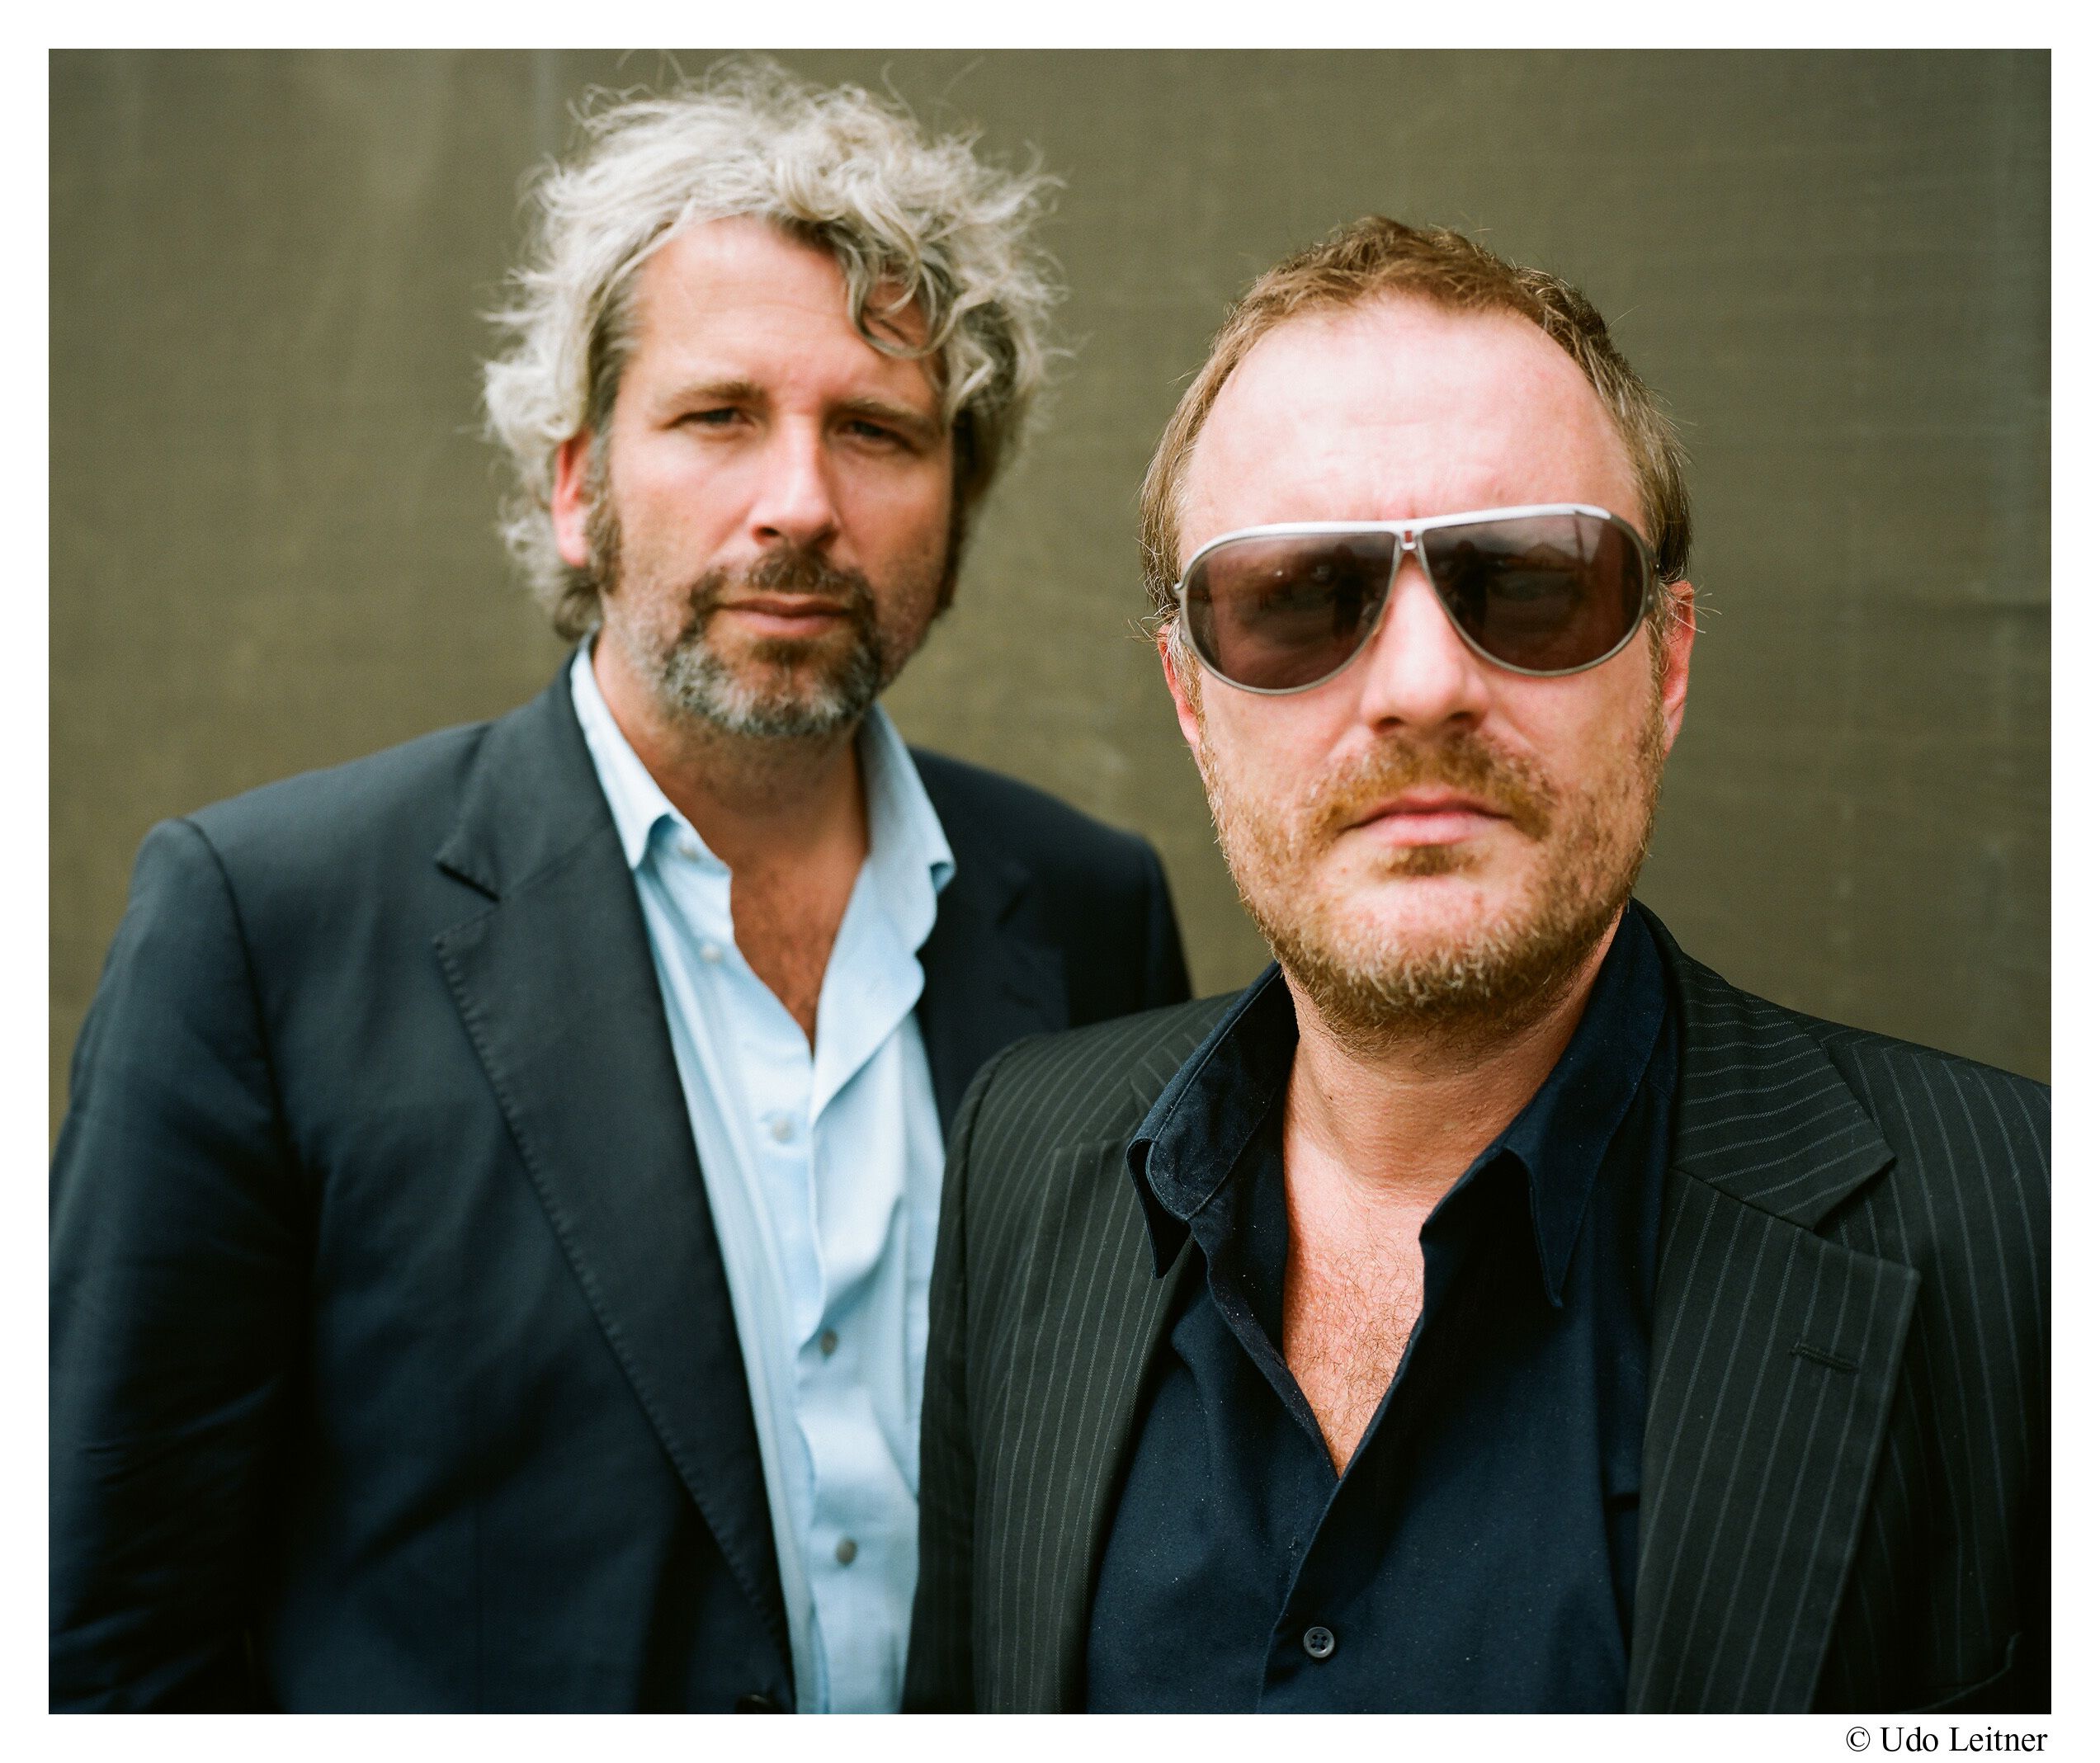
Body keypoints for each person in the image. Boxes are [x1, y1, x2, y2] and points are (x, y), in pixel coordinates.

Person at [50, 63, 1188, 1714]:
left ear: (956, 503)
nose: (799, 503)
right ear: (576, 484)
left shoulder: (1090, 913)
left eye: (875, 431)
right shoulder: (262, 929)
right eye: (719, 416)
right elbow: (103, 1641)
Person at [904, 217, 2046, 1714]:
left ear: (1666, 664)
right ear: (1188, 696)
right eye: (1295, 599)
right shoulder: (1021, 1158)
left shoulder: (2030, 1234)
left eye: (1527, 583)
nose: (1424, 685)